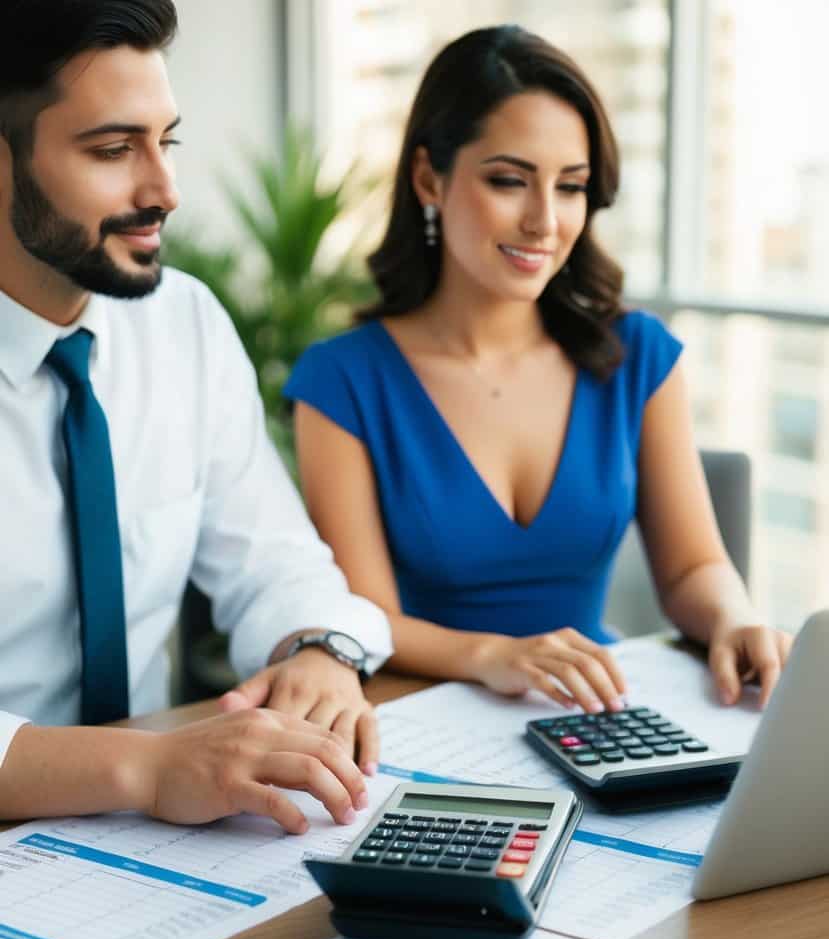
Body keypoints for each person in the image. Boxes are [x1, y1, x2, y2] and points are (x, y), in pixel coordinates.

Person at [289, 24, 790, 715]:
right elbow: (365, 618)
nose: (544, 221)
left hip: (592, 712)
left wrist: (734, 615)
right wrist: (493, 655)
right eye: (508, 181)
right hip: (423, 720)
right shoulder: (342, 380)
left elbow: (690, 568)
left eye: (571, 187)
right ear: (428, 178)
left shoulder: (636, 356)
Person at [0, 0, 393, 833]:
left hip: (140, 844)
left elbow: (273, 560)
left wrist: (317, 648)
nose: (164, 190)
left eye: (165, 141)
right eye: (112, 150)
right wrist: (146, 766)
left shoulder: (183, 322)